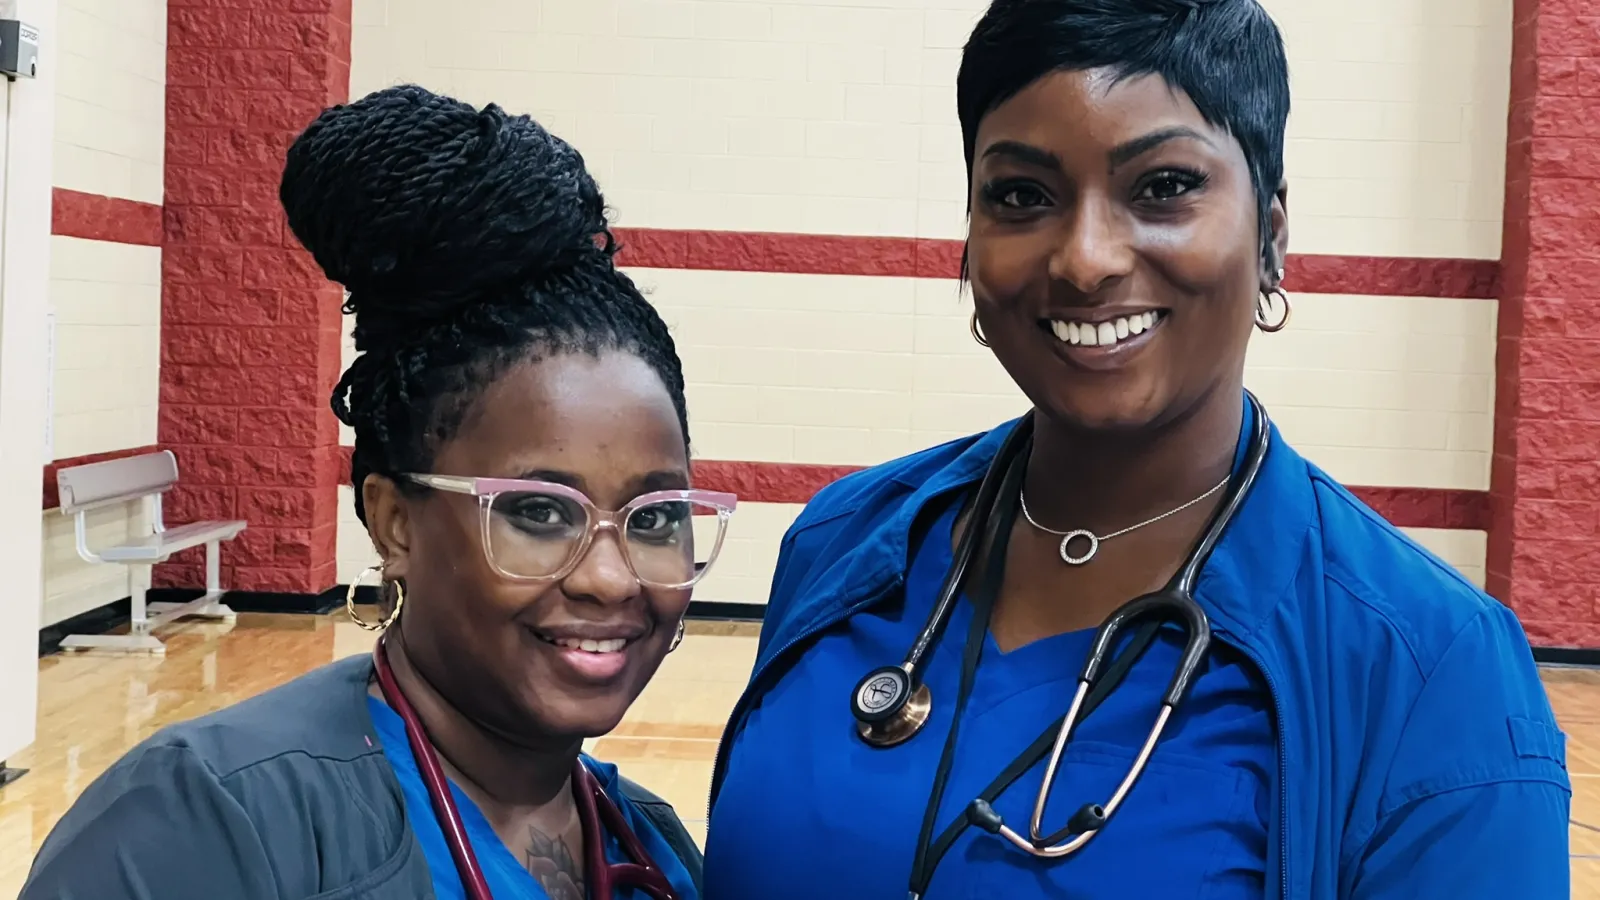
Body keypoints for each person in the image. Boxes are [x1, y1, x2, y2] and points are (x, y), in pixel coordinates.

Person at [702, 1, 1570, 898]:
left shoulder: (1429, 670)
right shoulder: (847, 542)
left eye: (1162, 187)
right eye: (1021, 195)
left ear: (1271, 236)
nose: (1085, 259)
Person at [22, 85, 721, 900]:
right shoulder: (210, 821)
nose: (610, 577)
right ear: (394, 522)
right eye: (537, 511)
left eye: (657, 516)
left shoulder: (650, 842)